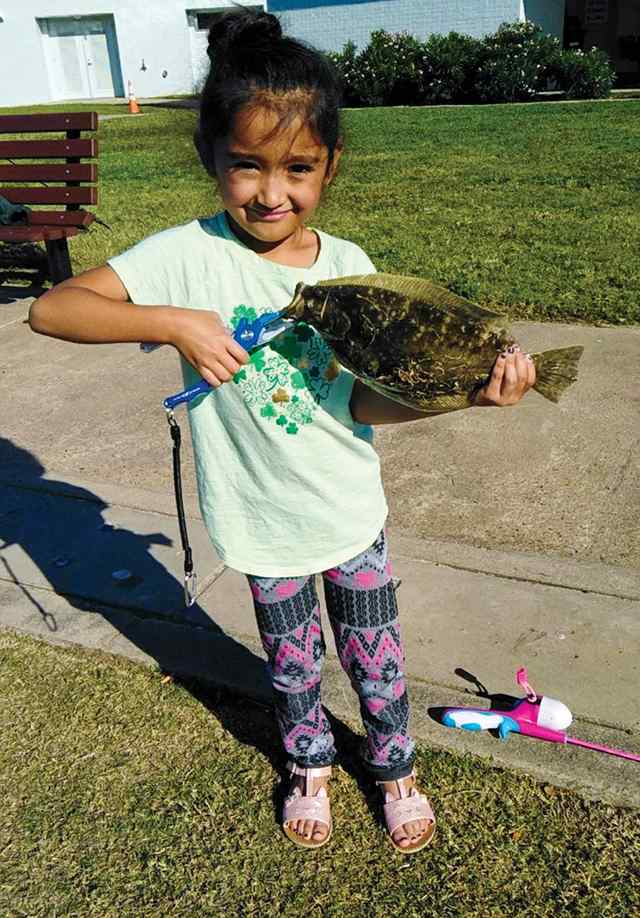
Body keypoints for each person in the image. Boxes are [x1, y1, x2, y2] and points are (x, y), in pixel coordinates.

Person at [29, 9, 535, 853]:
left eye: (298, 168)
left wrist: (465, 397)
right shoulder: (185, 254)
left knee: (376, 652)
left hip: (347, 510)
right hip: (259, 520)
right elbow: (53, 308)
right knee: (294, 661)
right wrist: (175, 322)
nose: (271, 192)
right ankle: (309, 763)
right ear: (211, 162)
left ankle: (395, 765)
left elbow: (365, 403)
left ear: (329, 168)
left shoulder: (349, 266)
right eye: (247, 167)